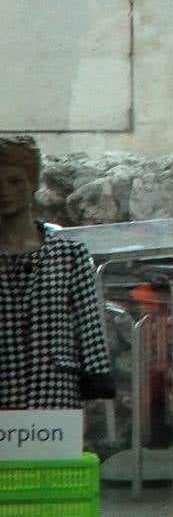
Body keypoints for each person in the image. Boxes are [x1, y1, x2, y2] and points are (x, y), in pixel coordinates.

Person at [0, 135, 115, 408]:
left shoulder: (69, 254)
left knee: (53, 452)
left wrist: (96, 375)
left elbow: (88, 322)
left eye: (15, 181)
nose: (4, 191)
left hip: (54, 391)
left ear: (33, 183)